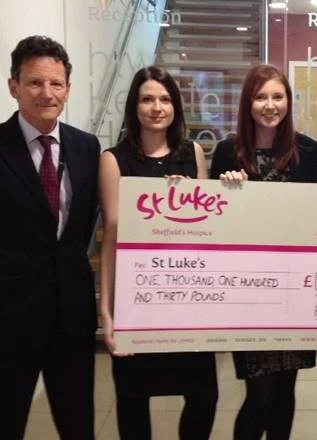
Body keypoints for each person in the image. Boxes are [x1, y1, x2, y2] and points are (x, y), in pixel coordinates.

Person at [98, 66, 217, 440]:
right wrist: (106, 311)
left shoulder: (193, 153)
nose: (156, 107)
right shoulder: (114, 160)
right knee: (133, 401)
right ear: (134, 106)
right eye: (147, 99)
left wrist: (187, 204)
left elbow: (209, 230)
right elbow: (113, 237)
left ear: (175, 107)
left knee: (204, 397)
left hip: (186, 300)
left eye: (165, 99)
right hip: (139, 302)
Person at [210, 64, 317, 440]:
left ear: (288, 101)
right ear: (248, 103)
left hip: (295, 289)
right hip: (248, 292)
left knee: (286, 389)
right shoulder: (228, 152)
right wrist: (226, 191)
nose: (270, 105)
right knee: (259, 392)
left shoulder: (307, 150)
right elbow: (214, 225)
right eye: (261, 97)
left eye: (278, 96)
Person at [0, 35, 100, 439]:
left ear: (68, 89)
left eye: (56, 84)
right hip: (9, 319)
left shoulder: (87, 147)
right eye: (35, 83)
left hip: (72, 317)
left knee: (79, 426)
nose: (47, 93)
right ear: (14, 87)